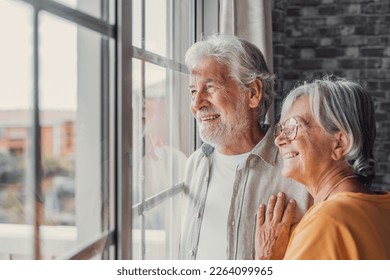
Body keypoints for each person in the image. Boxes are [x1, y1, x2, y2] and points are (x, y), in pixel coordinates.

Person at [179, 33, 311, 260]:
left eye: (209, 88)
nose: (196, 104)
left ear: (253, 93)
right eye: (193, 91)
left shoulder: (298, 169)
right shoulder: (195, 164)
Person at [255, 76, 390, 260]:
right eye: (282, 129)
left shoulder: (326, 222)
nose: (279, 140)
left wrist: (267, 259)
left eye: (294, 126)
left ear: (339, 144)